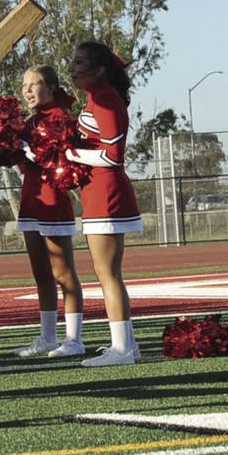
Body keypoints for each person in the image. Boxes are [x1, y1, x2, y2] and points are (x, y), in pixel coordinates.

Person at [66, 42, 143, 366]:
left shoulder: (105, 98)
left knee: (107, 273)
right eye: (72, 60)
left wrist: (70, 154)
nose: (72, 67)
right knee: (105, 272)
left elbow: (113, 156)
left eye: (81, 61)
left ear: (99, 69)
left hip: (107, 193)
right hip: (96, 191)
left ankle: (122, 349)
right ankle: (127, 345)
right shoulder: (95, 97)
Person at [14, 66, 86, 358]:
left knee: (63, 273)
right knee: (40, 273)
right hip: (31, 200)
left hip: (53, 201)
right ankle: (47, 336)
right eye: (24, 84)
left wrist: (29, 149)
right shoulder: (29, 122)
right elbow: (18, 162)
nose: (28, 90)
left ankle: (74, 339)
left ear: (53, 87)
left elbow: (60, 161)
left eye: (35, 84)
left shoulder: (63, 121)